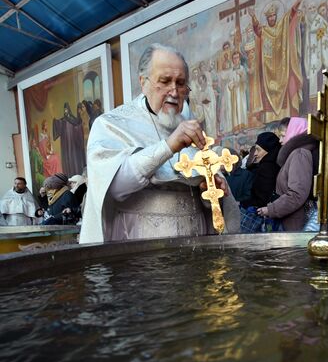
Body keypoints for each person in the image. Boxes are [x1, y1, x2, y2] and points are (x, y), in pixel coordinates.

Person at [80, 43, 240, 243]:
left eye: (181, 83)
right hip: (141, 251)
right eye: (165, 81)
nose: (174, 91)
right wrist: (168, 146)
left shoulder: (190, 124)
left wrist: (210, 192)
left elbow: (205, 197)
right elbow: (114, 188)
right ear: (143, 82)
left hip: (197, 249)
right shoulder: (112, 124)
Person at [248, 0, 304, 121]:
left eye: (273, 16)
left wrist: (298, 1)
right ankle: (270, 119)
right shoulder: (264, 30)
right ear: (267, 19)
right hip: (268, 71)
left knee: (284, 90)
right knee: (267, 93)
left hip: (281, 67)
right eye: (270, 17)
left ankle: (285, 116)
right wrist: (253, 16)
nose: (272, 18)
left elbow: (291, 14)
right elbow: (257, 29)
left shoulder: (281, 26)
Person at [257, 117, 316, 231]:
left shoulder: (299, 154)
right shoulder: (294, 154)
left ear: (295, 133)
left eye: (283, 136)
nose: (280, 140)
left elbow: (297, 194)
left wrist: (271, 209)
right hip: (289, 219)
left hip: (294, 222)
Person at [241, 132, 281, 209]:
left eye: (258, 150)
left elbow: (262, 200)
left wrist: (242, 203)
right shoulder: (271, 165)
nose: (255, 153)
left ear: (268, 150)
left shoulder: (267, 168)